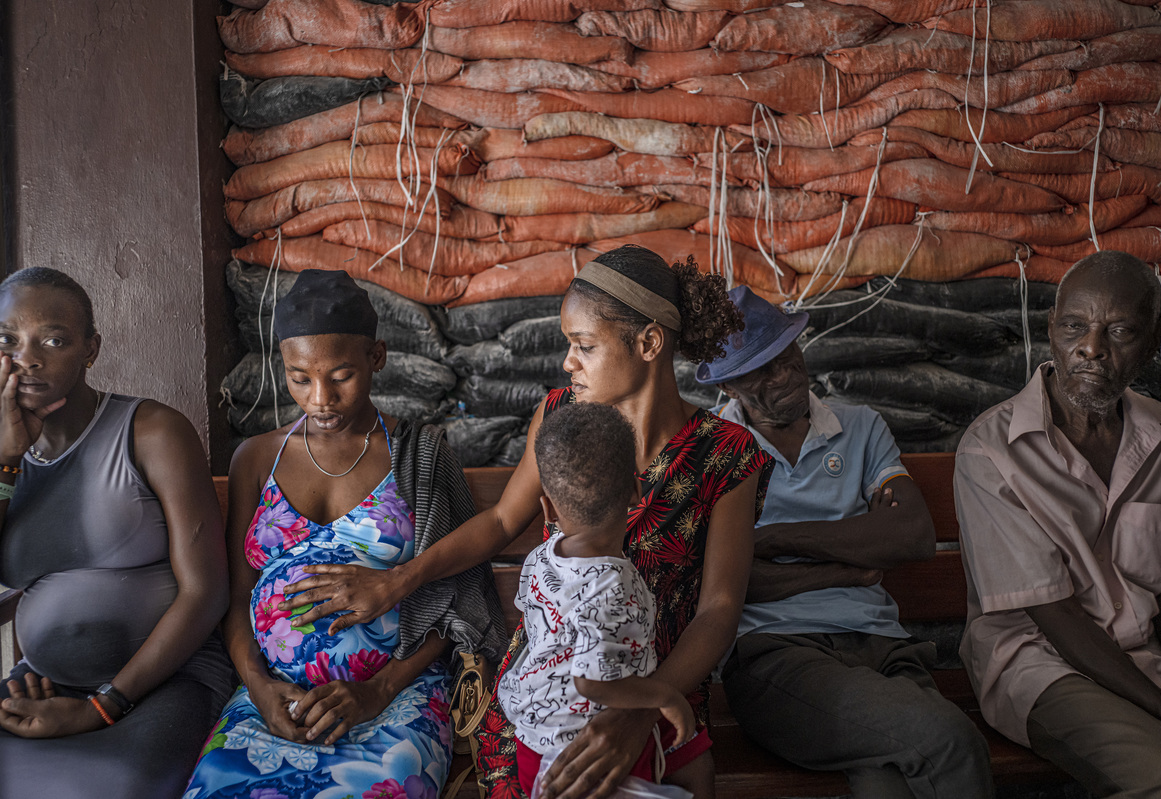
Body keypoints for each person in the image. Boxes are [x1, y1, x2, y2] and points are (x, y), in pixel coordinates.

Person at [278, 245, 774, 799]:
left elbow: (719, 610)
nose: (568, 361)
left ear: (649, 343)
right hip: (547, 686)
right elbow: (499, 522)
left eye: (584, 346)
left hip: (661, 678)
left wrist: (642, 705)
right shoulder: (560, 415)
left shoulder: (726, 454)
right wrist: (400, 580)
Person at [185, 269, 506, 799]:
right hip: (275, 698)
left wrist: (376, 691)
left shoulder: (419, 456)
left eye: (340, 375)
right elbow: (238, 595)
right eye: (299, 377)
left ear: (376, 358)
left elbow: (456, 596)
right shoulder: (256, 458)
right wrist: (260, 689)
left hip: (393, 695)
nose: (320, 398)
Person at [702, 286, 993, 799]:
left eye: (789, 354)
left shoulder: (860, 427)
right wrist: (850, 563)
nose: (787, 374)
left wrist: (771, 539)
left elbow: (913, 535)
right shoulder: (714, 451)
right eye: (763, 371)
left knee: (891, 785)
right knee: (948, 741)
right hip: (779, 655)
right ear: (731, 387)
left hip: (882, 646)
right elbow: (735, 584)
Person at [955, 250, 1161, 798]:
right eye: (1074, 326)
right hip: (1040, 663)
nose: (1092, 347)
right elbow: (1056, 616)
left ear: (1156, 338)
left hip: (1147, 654)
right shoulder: (992, 449)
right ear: (1051, 329)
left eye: (1120, 330)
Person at [0, 267, 234, 797]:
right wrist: (7, 460)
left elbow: (207, 592)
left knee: (104, 788)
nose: (27, 358)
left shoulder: (152, 432)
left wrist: (100, 705)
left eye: (53, 340)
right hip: (44, 683)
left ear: (91, 349)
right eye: (7, 340)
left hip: (165, 685)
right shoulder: (3, 451)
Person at [499, 402, 697, 799]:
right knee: (697, 758)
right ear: (636, 491)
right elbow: (591, 681)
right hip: (580, 743)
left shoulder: (543, 556)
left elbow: (535, 616)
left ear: (548, 507)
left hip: (531, 738)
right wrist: (665, 695)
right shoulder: (613, 584)